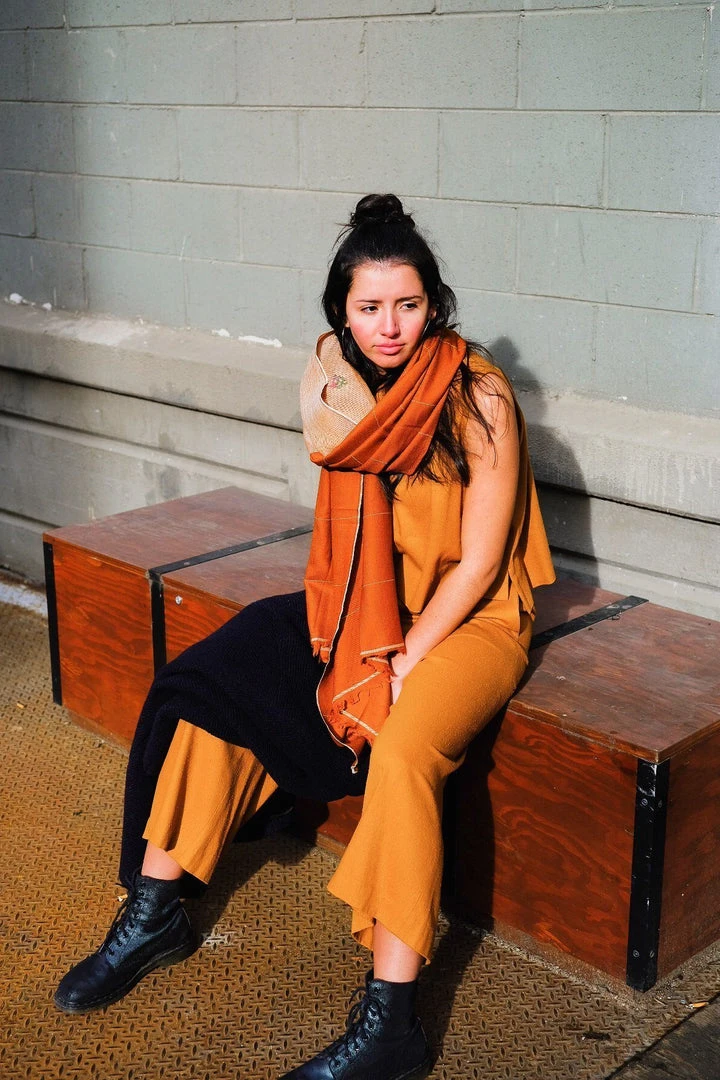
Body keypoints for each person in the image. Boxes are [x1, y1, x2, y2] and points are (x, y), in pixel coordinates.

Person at [53, 193, 555, 1080]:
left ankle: (392, 1024)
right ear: (342, 313)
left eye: (408, 305)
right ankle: (157, 909)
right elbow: (350, 550)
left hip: (469, 619)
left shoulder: (476, 392)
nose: (390, 326)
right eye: (370, 307)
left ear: (434, 305)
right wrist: (369, 640)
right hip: (368, 606)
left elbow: (480, 562)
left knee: (404, 751)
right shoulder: (339, 387)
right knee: (221, 679)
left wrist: (404, 659)